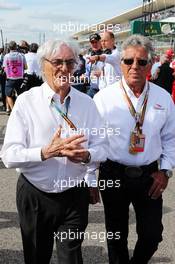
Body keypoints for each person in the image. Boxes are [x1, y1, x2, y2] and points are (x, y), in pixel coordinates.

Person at [1, 39, 107, 264]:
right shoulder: (26, 102)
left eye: (70, 62)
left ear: (77, 66)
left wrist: (87, 156)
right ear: (43, 65)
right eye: (57, 62)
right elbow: (9, 155)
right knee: (37, 256)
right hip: (36, 194)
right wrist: (45, 152)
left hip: (73, 196)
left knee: (71, 257)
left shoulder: (87, 103)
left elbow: (103, 148)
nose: (64, 68)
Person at [94, 35, 175, 264]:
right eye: (129, 61)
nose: (134, 67)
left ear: (150, 64)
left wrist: (165, 171)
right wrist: (91, 179)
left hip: (150, 175)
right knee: (116, 235)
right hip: (113, 174)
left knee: (152, 235)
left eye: (142, 62)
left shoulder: (163, 97)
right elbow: (93, 141)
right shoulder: (103, 99)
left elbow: (171, 138)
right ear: (120, 63)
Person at [2, 40, 27, 112]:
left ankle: (13, 110)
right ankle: (20, 109)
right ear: (16, 47)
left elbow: (4, 67)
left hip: (10, 78)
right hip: (20, 77)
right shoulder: (22, 56)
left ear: (9, 48)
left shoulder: (6, 56)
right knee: (21, 95)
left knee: (8, 94)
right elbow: (25, 67)